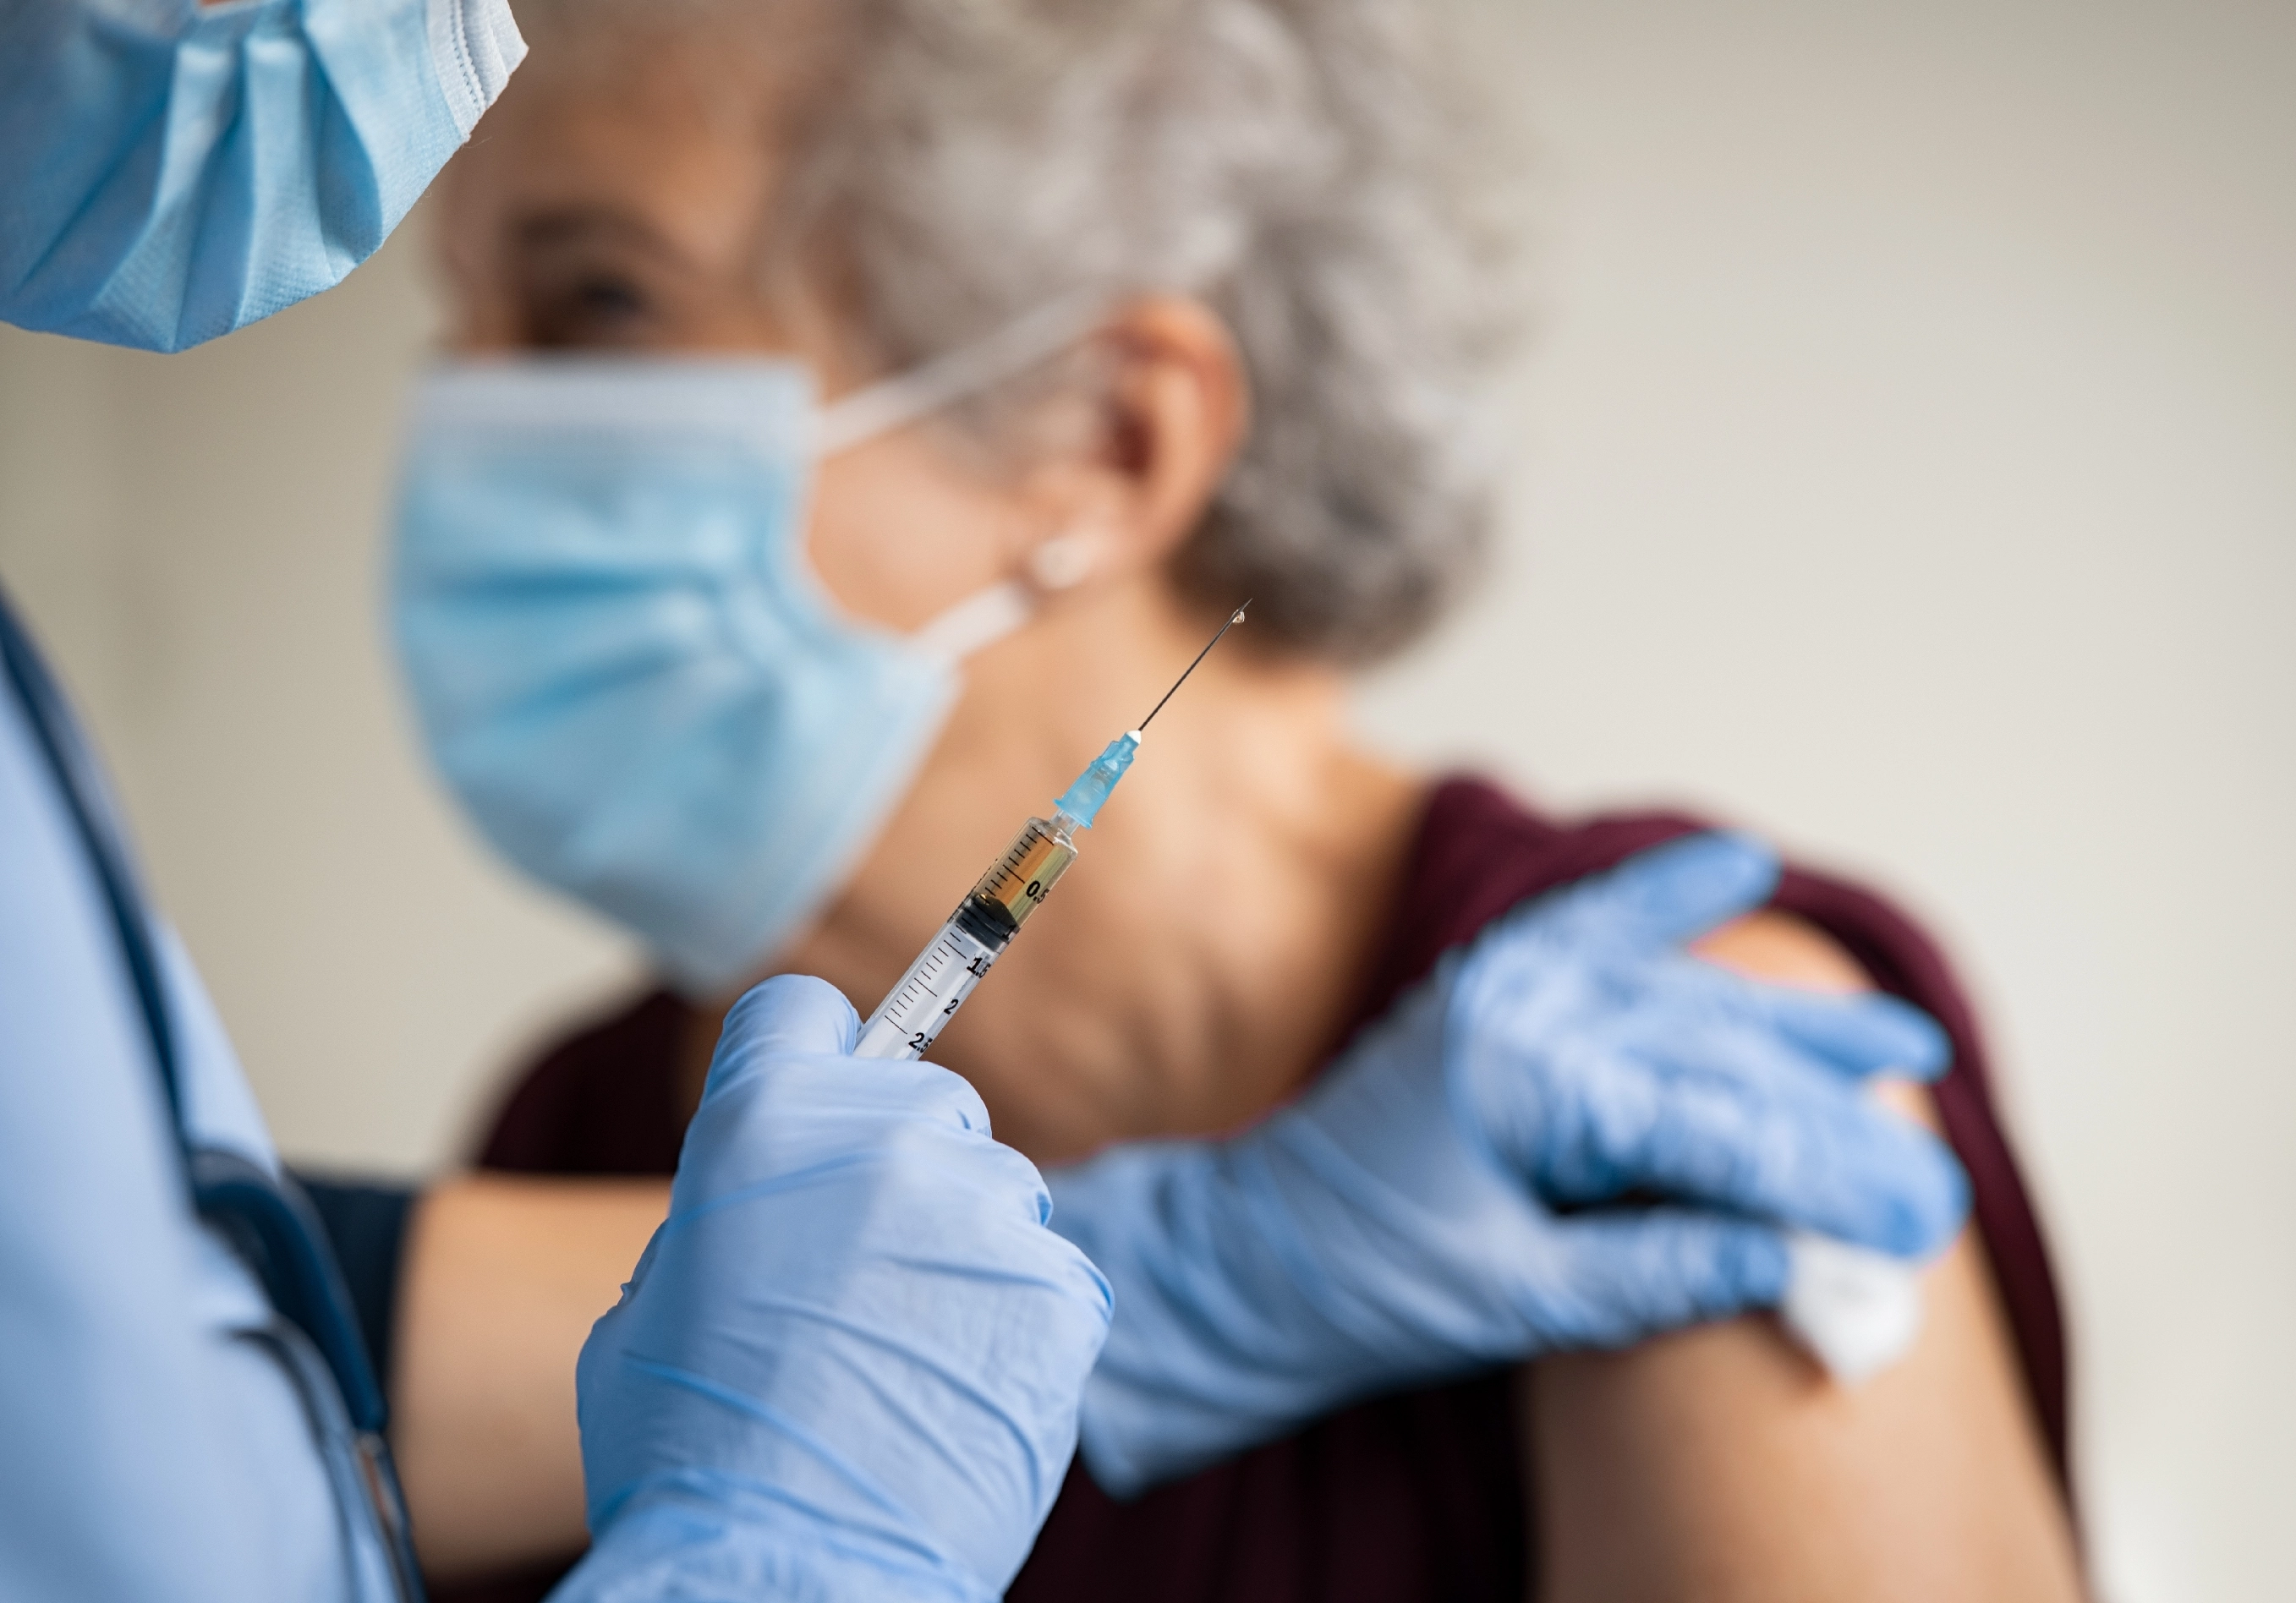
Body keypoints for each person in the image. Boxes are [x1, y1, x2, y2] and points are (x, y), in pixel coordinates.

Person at [0, 3, 1990, 1601]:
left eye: (596, 302)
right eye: (470, 322)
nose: (468, 413)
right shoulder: (610, 1125)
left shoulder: (1661, 1067)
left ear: (1113, 441)